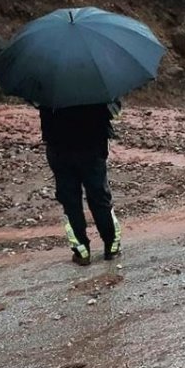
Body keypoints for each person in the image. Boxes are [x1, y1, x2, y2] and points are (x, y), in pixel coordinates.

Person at [39, 102, 122, 265]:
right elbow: (114, 108)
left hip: (59, 146)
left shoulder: (49, 86)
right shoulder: (96, 82)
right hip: (92, 143)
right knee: (99, 196)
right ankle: (111, 245)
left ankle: (81, 250)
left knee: (70, 201)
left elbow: (39, 106)